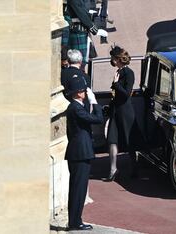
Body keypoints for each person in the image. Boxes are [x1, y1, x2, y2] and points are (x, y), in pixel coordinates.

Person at [65, 75, 103, 231]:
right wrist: (95, 103)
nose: (86, 93)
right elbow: (97, 119)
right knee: (78, 189)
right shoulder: (76, 108)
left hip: (80, 152)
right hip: (80, 153)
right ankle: (75, 221)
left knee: (78, 188)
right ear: (78, 93)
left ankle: (75, 219)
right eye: (84, 91)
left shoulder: (77, 107)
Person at [106, 45, 138, 181]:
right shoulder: (119, 71)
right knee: (112, 139)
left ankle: (135, 168)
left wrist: (116, 84)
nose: (112, 61)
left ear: (117, 59)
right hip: (116, 109)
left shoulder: (128, 73)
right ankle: (113, 169)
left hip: (125, 110)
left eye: (113, 58)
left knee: (130, 140)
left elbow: (126, 94)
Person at [66, 0, 107, 69]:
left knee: (83, 62)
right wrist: (94, 30)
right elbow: (81, 13)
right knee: (78, 62)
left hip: (82, 30)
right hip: (78, 31)